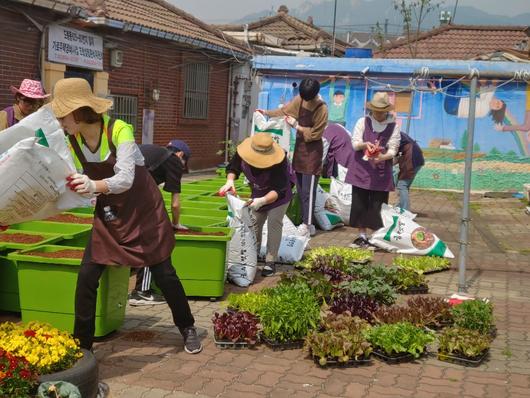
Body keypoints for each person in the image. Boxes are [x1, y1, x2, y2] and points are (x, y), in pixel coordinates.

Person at [50, 78, 202, 354]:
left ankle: (187, 326)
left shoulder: (119, 130)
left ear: (78, 112)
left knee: (164, 273)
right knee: (86, 275)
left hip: (143, 210)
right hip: (109, 213)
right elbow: (69, 178)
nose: (60, 120)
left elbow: (126, 178)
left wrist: (93, 186)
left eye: (62, 114)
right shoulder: (72, 139)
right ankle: (82, 346)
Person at [259, 78, 328, 238]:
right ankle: (307, 223)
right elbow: (286, 111)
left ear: (315, 95)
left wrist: (297, 126)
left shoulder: (322, 108)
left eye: (307, 98)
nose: (305, 100)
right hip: (299, 150)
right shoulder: (301, 98)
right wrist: (266, 113)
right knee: (300, 190)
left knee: (308, 192)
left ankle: (308, 224)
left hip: (313, 153)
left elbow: (316, 134)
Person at [218, 133, 293, 277]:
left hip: (278, 197)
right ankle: (252, 255)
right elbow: (233, 168)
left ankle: (271, 261)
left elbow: (279, 189)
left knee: (274, 222)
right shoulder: (243, 153)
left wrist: (262, 201)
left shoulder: (280, 161)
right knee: (254, 223)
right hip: (257, 193)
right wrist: (230, 181)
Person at [128, 140, 191, 306]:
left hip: (119, 190)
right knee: (152, 237)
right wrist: (176, 224)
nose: (183, 166)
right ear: (181, 155)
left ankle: (123, 278)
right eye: (185, 162)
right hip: (134, 193)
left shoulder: (153, 152)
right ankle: (141, 292)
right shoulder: (174, 161)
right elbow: (175, 203)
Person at [347, 91, 400, 249]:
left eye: (381, 110)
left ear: (386, 110)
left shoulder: (393, 127)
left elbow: (393, 150)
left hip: (381, 171)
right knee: (359, 202)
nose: (378, 113)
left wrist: (382, 157)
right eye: (376, 110)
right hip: (361, 169)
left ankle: (376, 238)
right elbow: (355, 143)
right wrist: (365, 145)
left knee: (378, 205)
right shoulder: (363, 122)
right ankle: (362, 236)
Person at [395, 132, 424, 211]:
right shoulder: (399, 134)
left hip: (411, 159)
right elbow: (398, 154)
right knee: (404, 185)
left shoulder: (392, 134)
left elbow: (395, 155)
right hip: (417, 159)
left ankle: (404, 210)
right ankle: (400, 206)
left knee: (402, 185)